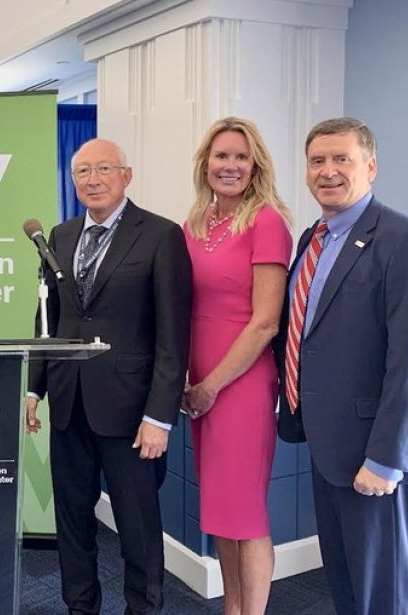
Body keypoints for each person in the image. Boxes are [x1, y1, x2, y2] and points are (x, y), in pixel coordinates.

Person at [26, 138, 192, 614]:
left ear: (127, 175)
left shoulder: (160, 235)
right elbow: (46, 319)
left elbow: (172, 335)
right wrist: (35, 386)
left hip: (132, 411)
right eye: (82, 172)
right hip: (68, 403)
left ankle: (143, 608)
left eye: (104, 169)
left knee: (137, 526)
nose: (93, 179)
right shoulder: (59, 236)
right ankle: (81, 606)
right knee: (73, 521)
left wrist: (159, 417)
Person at [277, 117, 408, 615]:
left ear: (370, 167)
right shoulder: (314, 237)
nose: (328, 171)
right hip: (324, 440)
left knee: (383, 590)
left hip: (372, 450)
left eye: (342, 159)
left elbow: (405, 361)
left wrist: (387, 458)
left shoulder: (398, 238)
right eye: (317, 161)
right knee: (344, 580)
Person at [182, 117, 293, 614]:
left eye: (240, 157)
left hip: (240, 384)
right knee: (222, 512)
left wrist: (211, 386)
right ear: (206, 164)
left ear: (255, 166)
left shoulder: (266, 222)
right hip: (199, 384)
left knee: (246, 516)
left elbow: (266, 323)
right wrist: (189, 382)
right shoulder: (194, 225)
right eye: (221, 156)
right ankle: (233, 608)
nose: (229, 165)